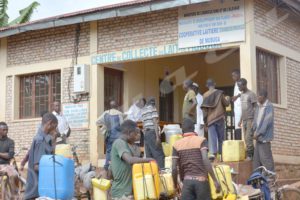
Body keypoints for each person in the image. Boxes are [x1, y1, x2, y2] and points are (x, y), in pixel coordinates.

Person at [172, 118, 221, 200]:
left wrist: (175, 186)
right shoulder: (201, 140)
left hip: (187, 183)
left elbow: (173, 169)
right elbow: (205, 160)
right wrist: (215, 180)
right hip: (202, 182)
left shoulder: (176, 145)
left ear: (182, 130)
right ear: (194, 128)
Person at [110, 120, 154, 200]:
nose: (136, 135)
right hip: (122, 194)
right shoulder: (119, 143)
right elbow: (130, 160)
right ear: (129, 132)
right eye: (135, 133)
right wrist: (149, 160)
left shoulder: (126, 145)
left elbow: (111, 170)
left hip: (127, 193)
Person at [24, 113, 58, 200]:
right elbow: (37, 167)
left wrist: (54, 140)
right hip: (36, 190)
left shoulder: (46, 139)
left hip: (40, 188)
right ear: (49, 123)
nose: (56, 129)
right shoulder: (40, 140)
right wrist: (55, 171)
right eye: (55, 126)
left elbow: (51, 155)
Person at [201, 79, 230, 161]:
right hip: (220, 118)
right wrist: (228, 98)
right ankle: (222, 156)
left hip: (210, 120)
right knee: (221, 138)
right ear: (215, 83)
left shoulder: (205, 95)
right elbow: (226, 104)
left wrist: (205, 122)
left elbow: (204, 110)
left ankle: (214, 157)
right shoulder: (220, 93)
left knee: (212, 138)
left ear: (207, 85)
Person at [96, 100, 124, 171]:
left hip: (108, 136)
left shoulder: (106, 113)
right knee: (118, 151)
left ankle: (107, 167)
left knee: (108, 151)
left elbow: (97, 122)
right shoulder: (119, 114)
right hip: (118, 137)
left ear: (110, 106)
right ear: (117, 106)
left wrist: (103, 129)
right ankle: (116, 167)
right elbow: (122, 125)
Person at [252, 90, 275, 172]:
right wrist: (253, 129)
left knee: (266, 160)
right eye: (257, 96)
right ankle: (257, 180)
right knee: (256, 161)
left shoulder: (269, 106)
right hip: (258, 138)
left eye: (259, 96)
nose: (257, 98)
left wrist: (258, 133)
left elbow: (267, 122)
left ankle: (271, 180)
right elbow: (255, 119)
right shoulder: (258, 106)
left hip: (264, 138)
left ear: (264, 97)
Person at [141, 97, 165, 169]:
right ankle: (161, 171)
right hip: (152, 133)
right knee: (158, 153)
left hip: (146, 134)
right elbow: (155, 122)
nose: (154, 104)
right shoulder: (152, 108)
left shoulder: (143, 110)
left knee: (149, 154)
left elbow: (143, 125)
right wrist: (157, 137)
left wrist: (145, 134)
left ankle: (151, 171)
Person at [237, 78, 257, 160]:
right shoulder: (242, 95)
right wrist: (240, 120)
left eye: (240, 86)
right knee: (245, 138)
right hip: (244, 120)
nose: (238, 88)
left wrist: (254, 120)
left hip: (250, 119)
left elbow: (256, 107)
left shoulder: (251, 94)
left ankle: (250, 155)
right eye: (238, 86)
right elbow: (243, 109)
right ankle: (254, 155)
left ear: (244, 85)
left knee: (249, 138)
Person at [0, 122, 19, 198]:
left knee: (14, 175)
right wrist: (4, 154)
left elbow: (10, 155)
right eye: (4, 130)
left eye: (7, 129)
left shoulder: (10, 142)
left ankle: (14, 195)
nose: (6, 131)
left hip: (6, 165)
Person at [231, 69, 242, 140]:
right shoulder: (235, 84)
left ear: (238, 75)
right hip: (236, 108)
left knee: (239, 126)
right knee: (236, 126)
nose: (232, 77)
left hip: (240, 108)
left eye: (234, 75)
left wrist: (236, 96)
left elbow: (244, 92)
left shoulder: (241, 83)